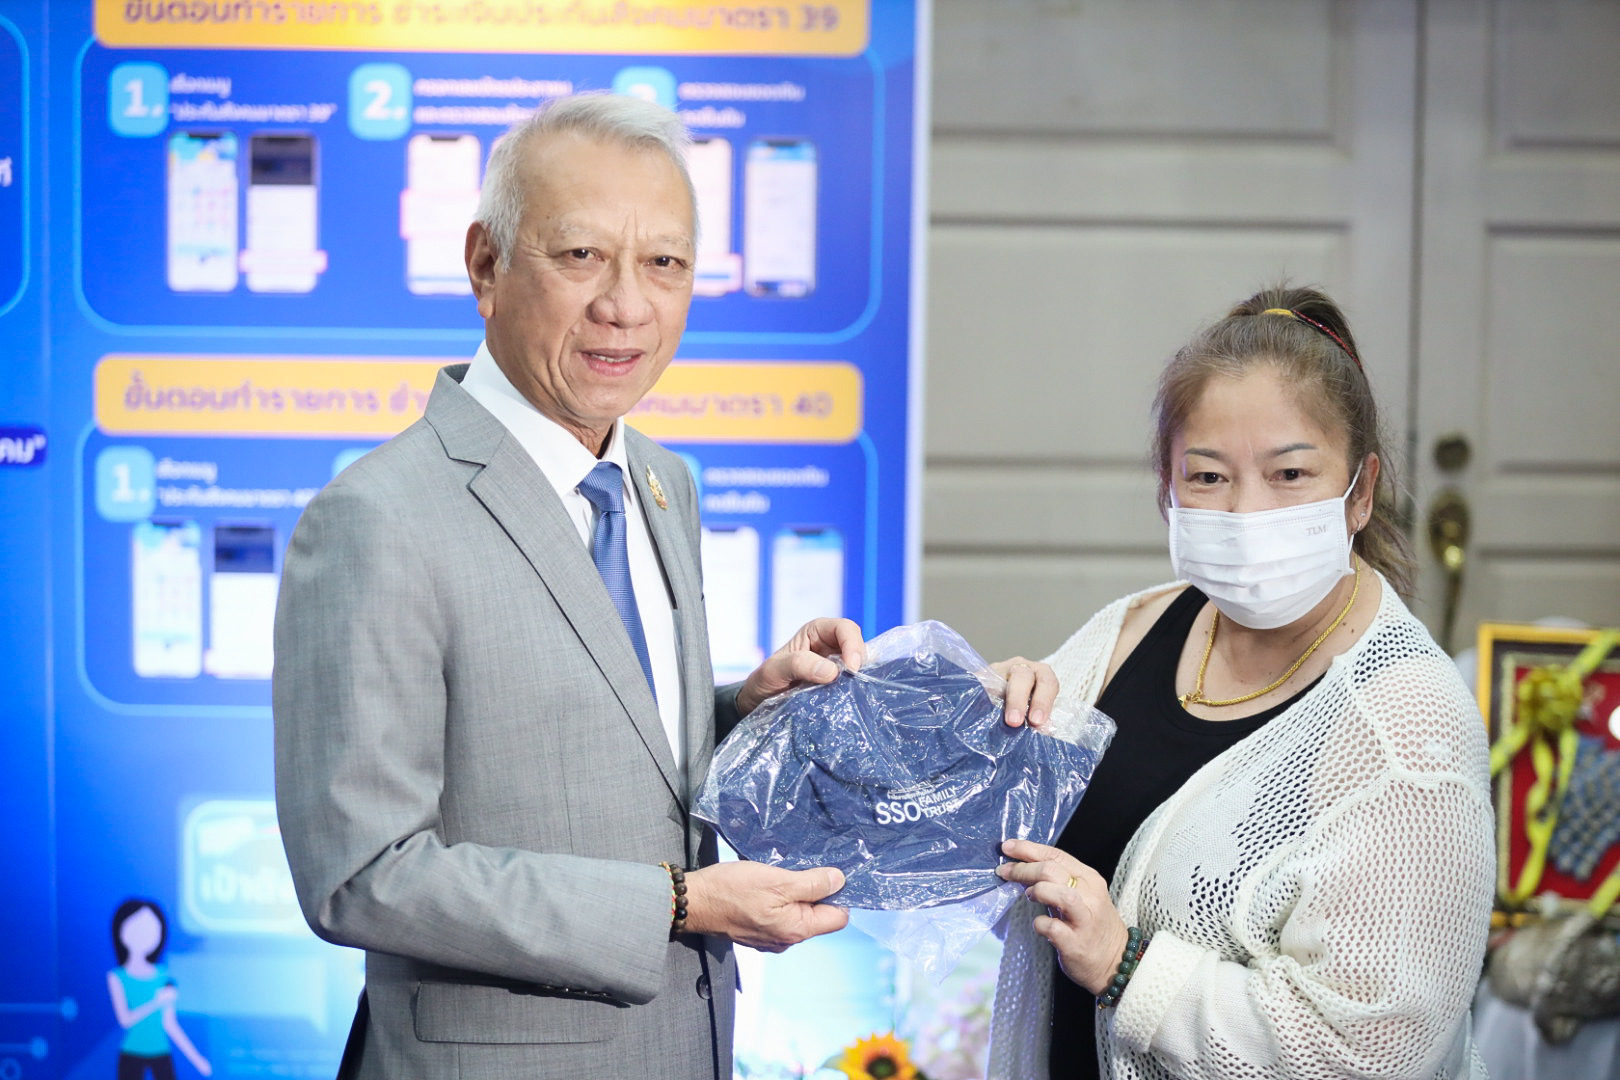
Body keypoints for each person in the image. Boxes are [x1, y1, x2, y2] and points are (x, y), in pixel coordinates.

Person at [273, 92, 1053, 1079]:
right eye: (581, 255)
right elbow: (361, 875)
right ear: (485, 265)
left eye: (665, 264)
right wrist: (677, 903)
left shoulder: (660, 480)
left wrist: (747, 712)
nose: (626, 305)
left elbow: (610, 756)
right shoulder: (378, 518)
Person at [987, 286, 1495, 1079]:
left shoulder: (1407, 724)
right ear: (1166, 486)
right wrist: (978, 731)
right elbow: (996, 850)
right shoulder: (1133, 630)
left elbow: (1374, 1054)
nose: (1247, 513)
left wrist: (1126, 965)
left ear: (1360, 491)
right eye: (1208, 476)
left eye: (1289, 473)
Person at [106, 899, 212, 1079]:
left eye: (151, 928)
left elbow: (170, 1024)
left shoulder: (163, 976)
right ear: (121, 930)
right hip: (131, 1054)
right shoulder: (116, 977)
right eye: (138, 928)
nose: (145, 934)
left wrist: (198, 1060)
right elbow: (125, 1020)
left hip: (161, 1053)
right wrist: (157, 1002)